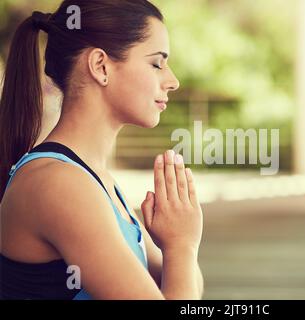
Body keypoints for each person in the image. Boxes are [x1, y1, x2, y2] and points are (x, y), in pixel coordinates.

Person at [0, 0, 204, 300]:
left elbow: (178, 282)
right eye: (157, 63)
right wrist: (182, 245)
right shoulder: (60, 185)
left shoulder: (96, 179)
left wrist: (179, 243)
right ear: (101, 66)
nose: (172, 81)